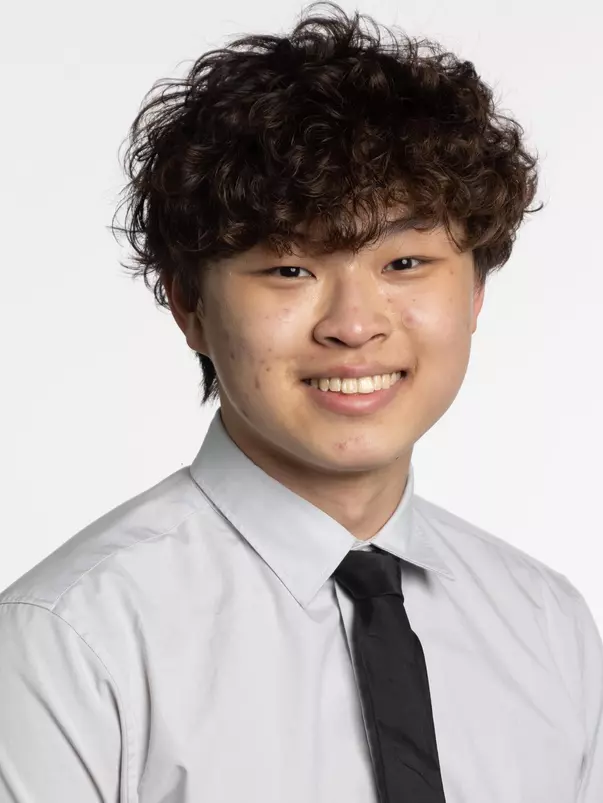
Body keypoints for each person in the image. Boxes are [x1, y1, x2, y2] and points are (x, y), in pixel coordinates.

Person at [1, 2, 601, 801]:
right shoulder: (67, 643)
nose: (354, 326)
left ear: (475, 292)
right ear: (188, 306)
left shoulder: (547, 626)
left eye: (406, 262)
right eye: (290, 269)